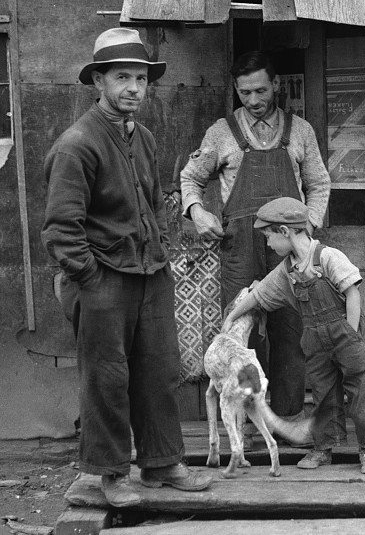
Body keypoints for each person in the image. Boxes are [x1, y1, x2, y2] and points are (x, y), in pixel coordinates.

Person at [41, 27, 211, 508]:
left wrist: (160, 256)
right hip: (102, 279)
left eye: (141, 78)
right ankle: (111, 472)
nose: (134, 88)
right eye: (122, 77)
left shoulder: (147, 138)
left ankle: (161, 462)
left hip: (150, 274)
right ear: (98, 81)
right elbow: (60, 228)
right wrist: (91, 281)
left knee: (160, 370)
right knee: (107, 377)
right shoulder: (77, 144)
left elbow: (154, 204)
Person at [180, 51, 330, 421]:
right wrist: (197, 212)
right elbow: (191, 178)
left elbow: (319, 183)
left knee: (290, 332)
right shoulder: (220, 133)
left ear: (276, 85)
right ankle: (250, 415)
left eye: (261, 91)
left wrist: (306, 229)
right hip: (239, 251)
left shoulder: (301, 131)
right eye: (245, 93)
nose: (253, 101)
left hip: (288, 250)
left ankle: (288, 415)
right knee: (240, 336)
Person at [223, 197, 365, 474]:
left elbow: (352, 292)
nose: (268, 244)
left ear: (285, 231)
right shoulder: (286, 270)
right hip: (314, 339)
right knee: (324, 394)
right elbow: (259, 295)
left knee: (361, 391)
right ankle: (323, 448)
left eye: (269, 236)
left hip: (346, 333)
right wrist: (231, 316)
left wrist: (350, 331)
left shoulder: (328, 256)